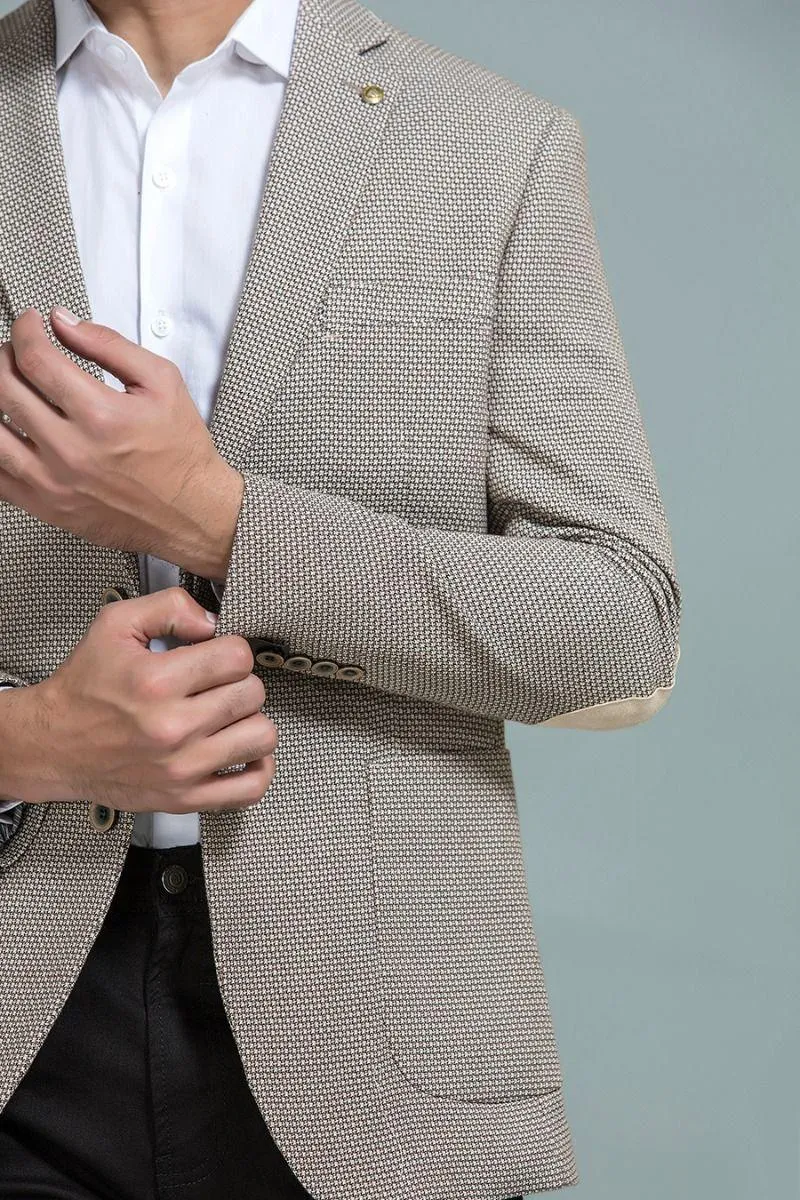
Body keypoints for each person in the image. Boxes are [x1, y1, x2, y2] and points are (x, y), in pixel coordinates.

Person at [0, 0, 682, 1195]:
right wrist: (22, 742)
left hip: (378, 1041)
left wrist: (219, 521)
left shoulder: (486, 144)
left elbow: (614, 619)